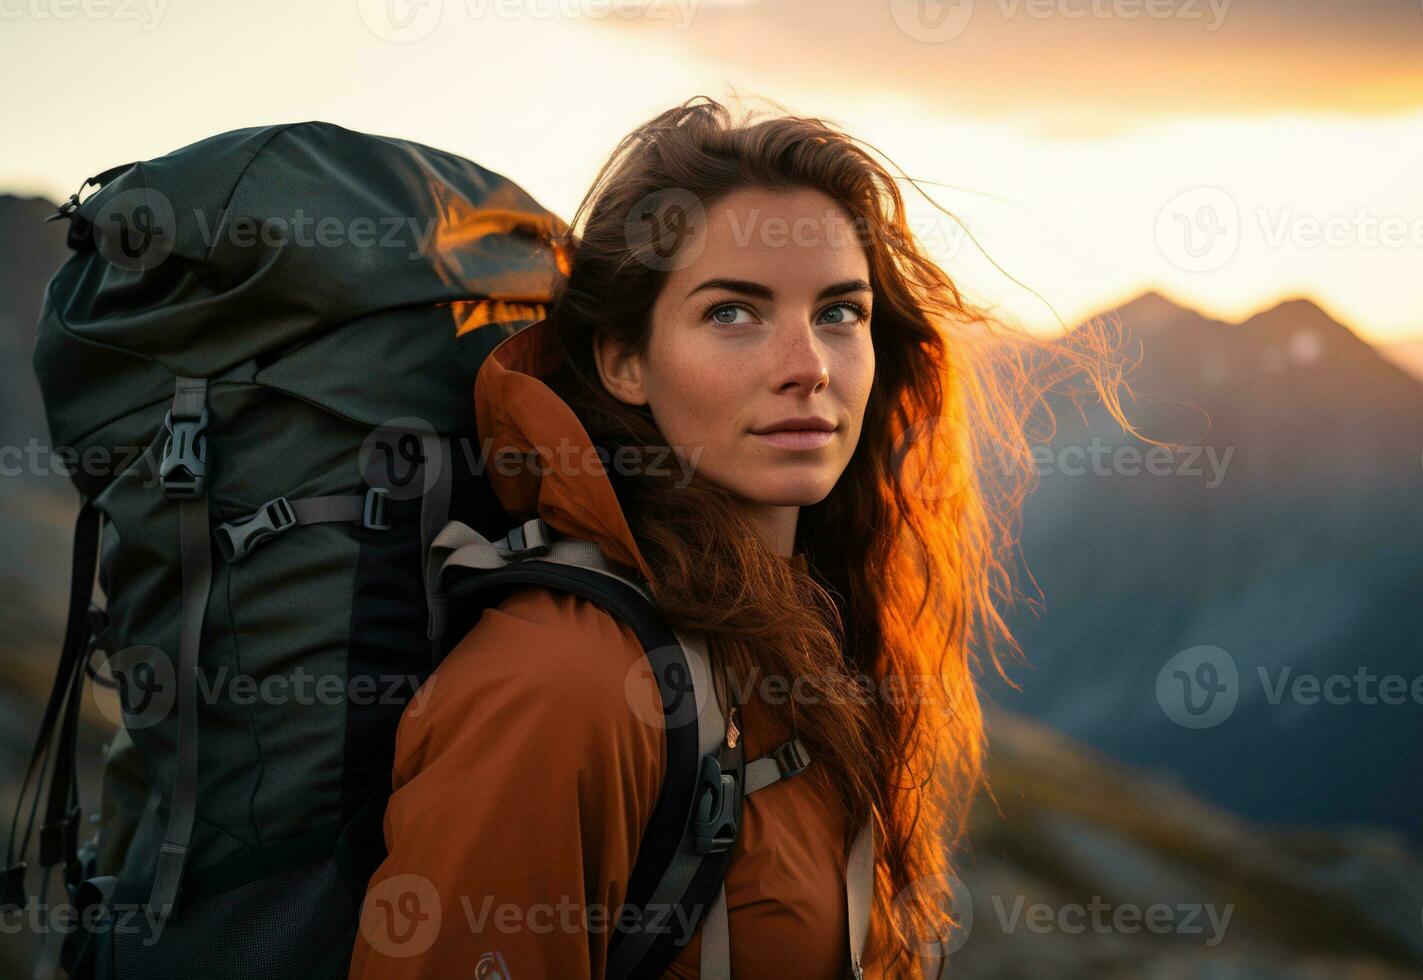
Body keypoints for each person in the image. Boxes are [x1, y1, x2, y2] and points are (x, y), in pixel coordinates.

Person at [348, 96, 1125, 979]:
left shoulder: (810, 637)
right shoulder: (562, 685)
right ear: (623, 361)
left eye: (841, 312)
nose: (810, 366)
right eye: (733, 313)